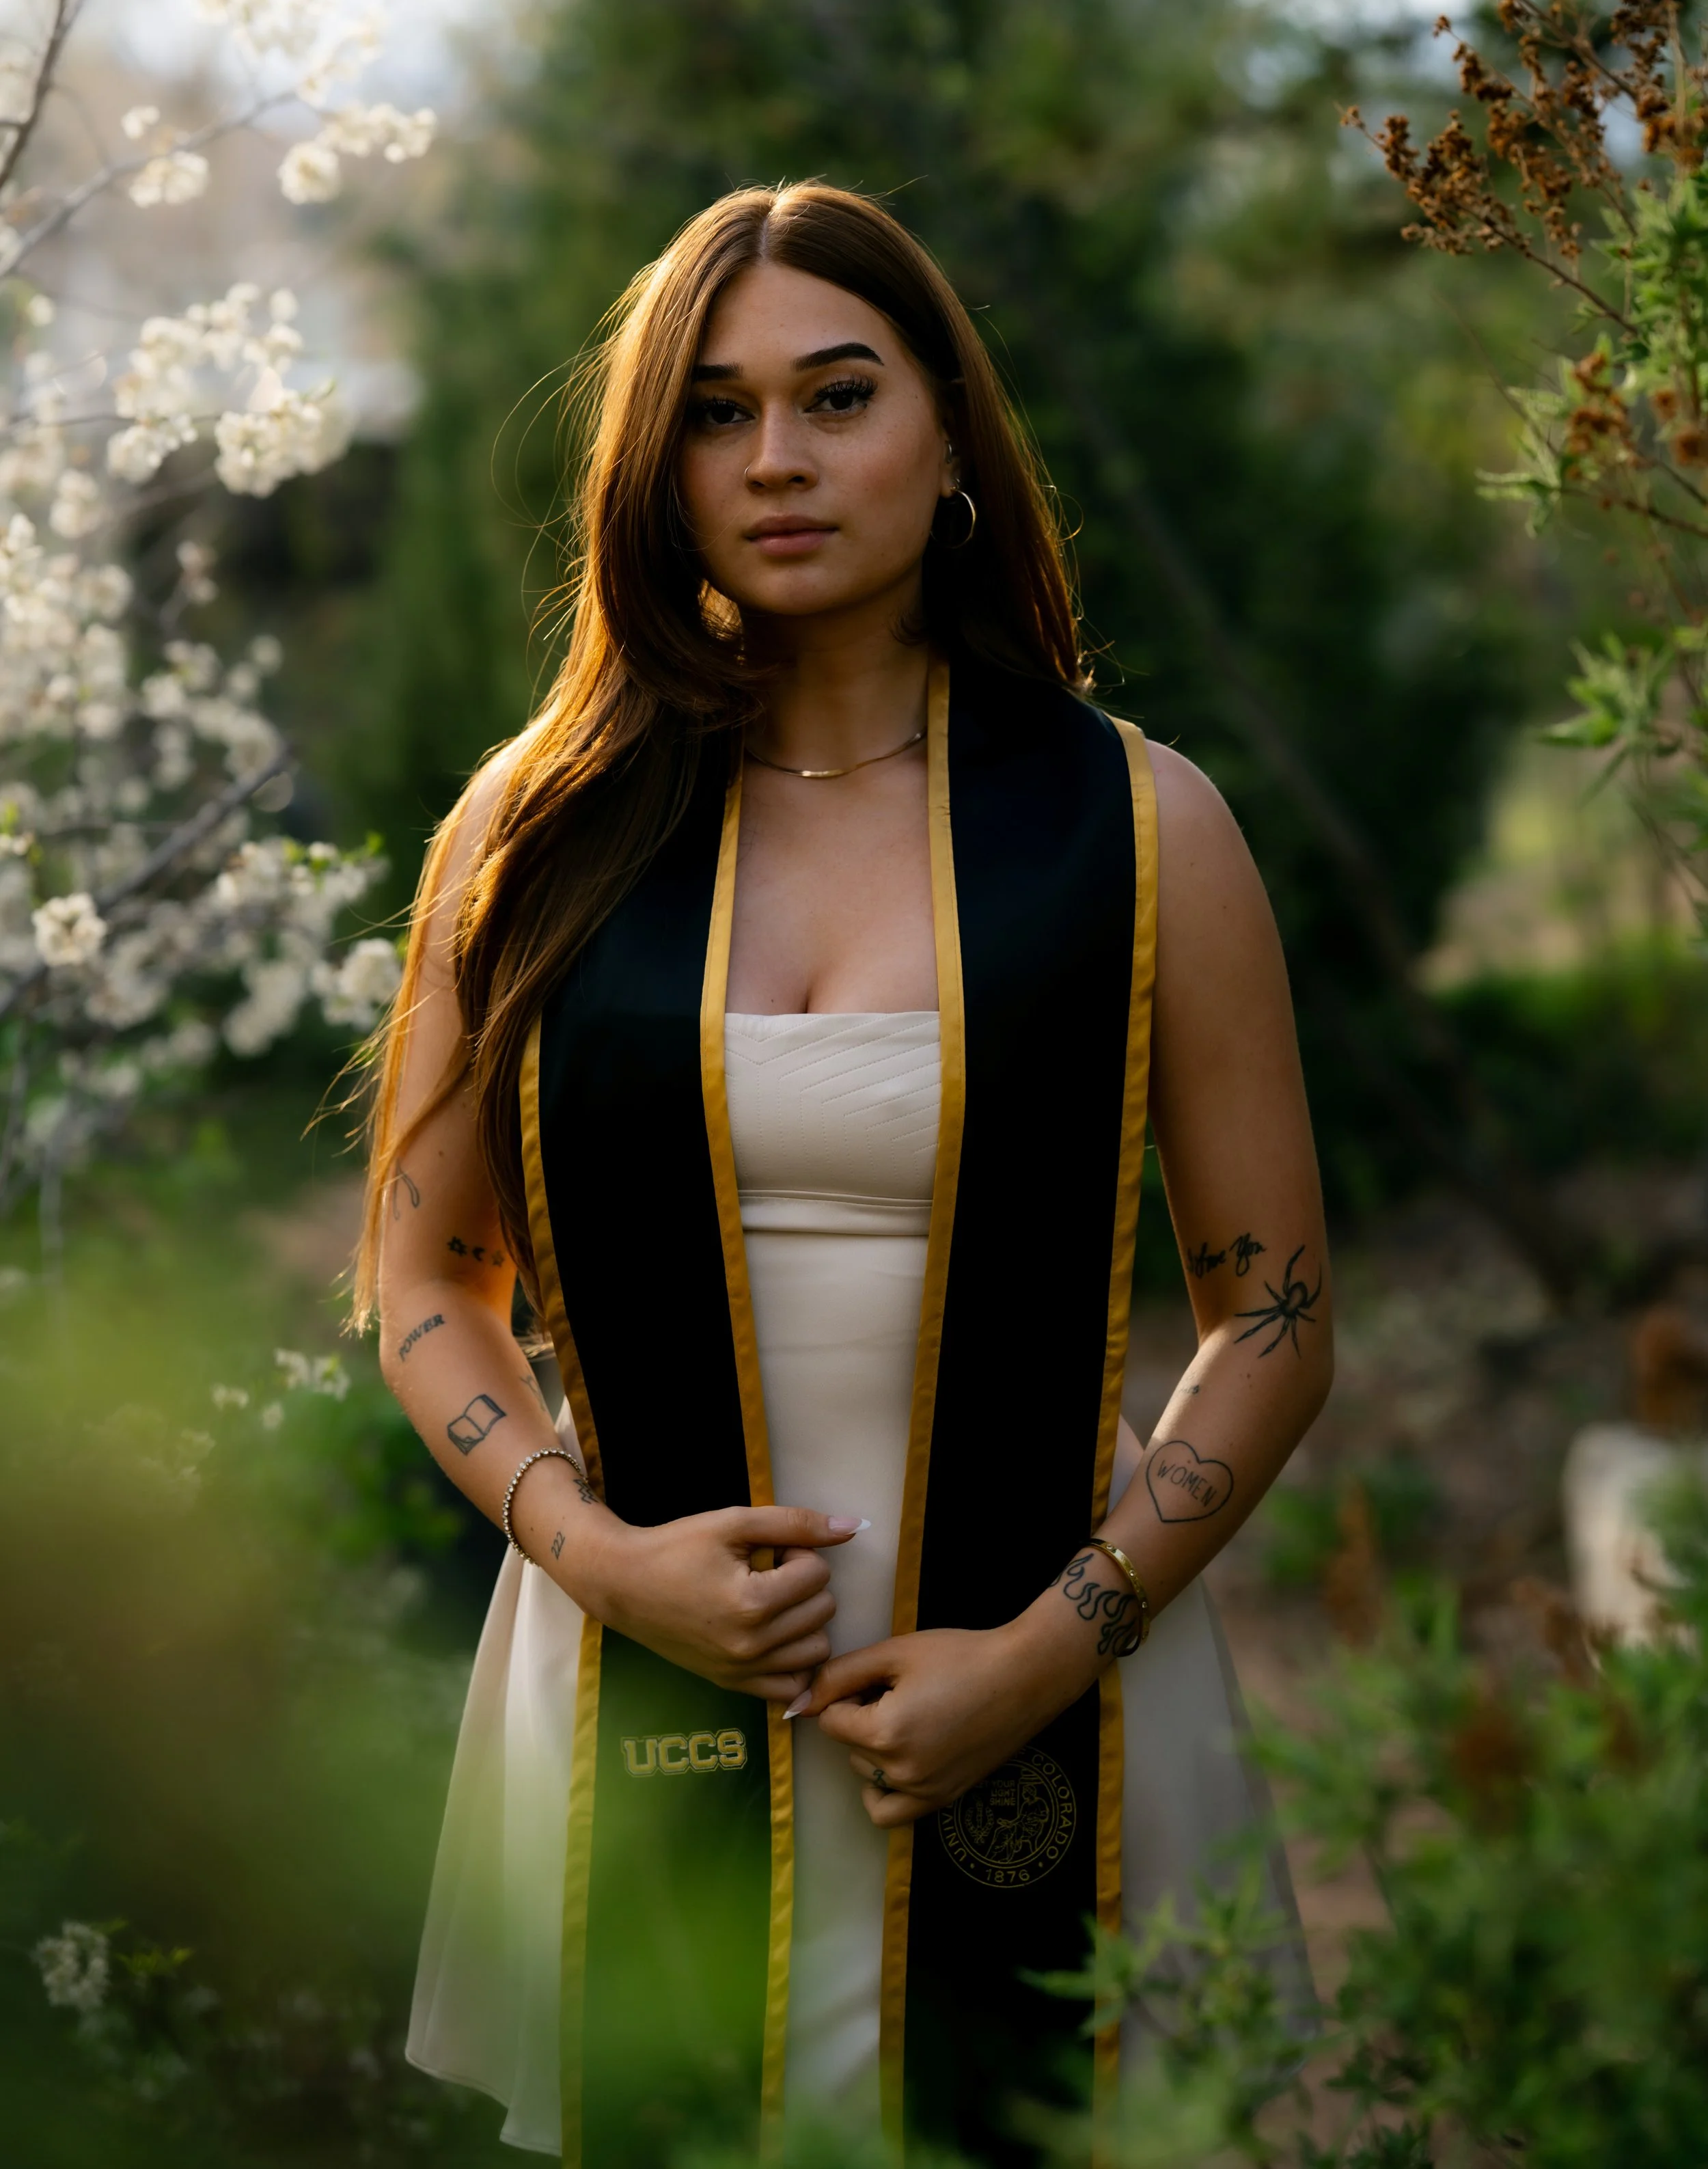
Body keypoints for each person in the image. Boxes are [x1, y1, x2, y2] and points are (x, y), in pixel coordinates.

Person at [356, 182, 1332, 2168]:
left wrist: (1043, 1650)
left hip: (1041, 1673)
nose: (777, 459)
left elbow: (1276, 1313)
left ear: (948, 431)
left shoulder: (1139, 830)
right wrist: (603, 1558)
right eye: (715, 413)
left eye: (836, 394)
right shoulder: (534, 835)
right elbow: (425, 1280)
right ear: (654, 464)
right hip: (635, 1655)